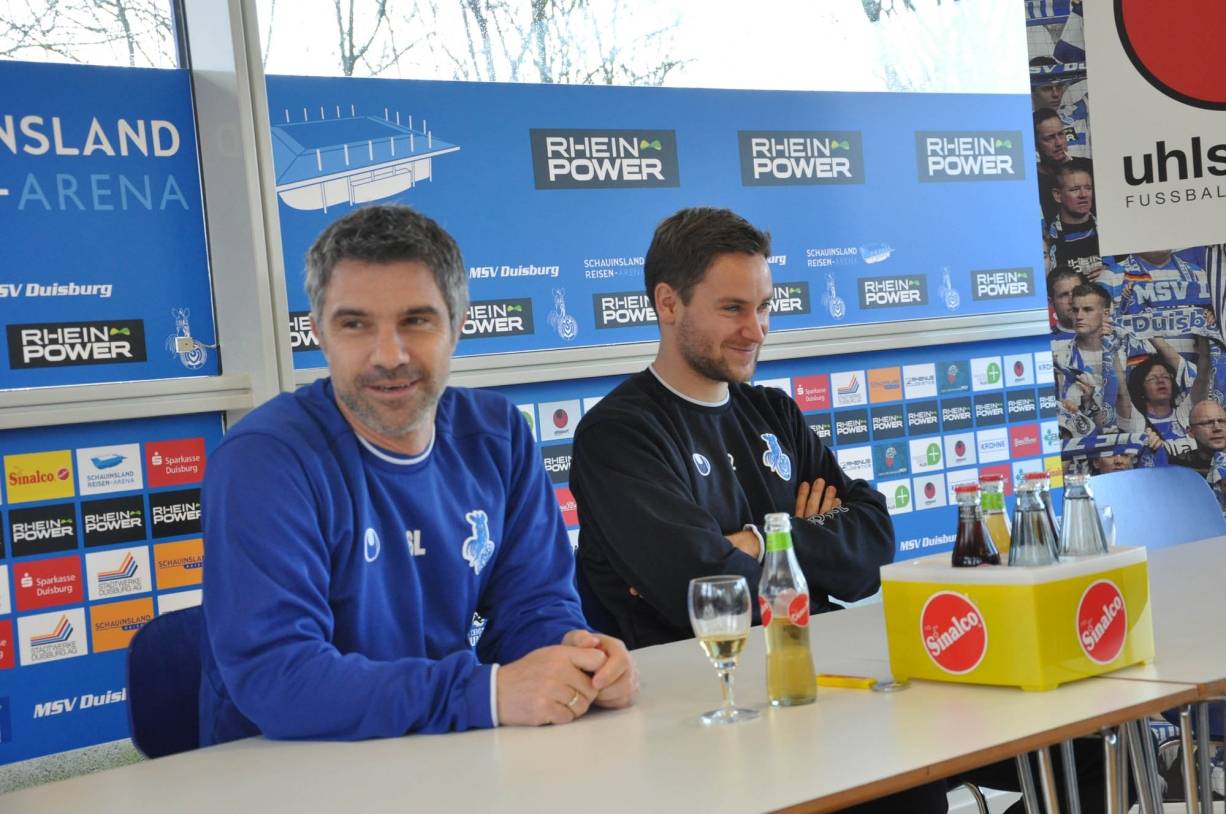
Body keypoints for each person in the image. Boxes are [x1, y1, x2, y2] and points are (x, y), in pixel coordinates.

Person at [199, 204, 636, 746]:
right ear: (317, 334)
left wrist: (578, 658)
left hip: (450, 749)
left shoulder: (499, 435)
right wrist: (487, 694)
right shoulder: (264, 460)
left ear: (456, 325)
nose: (389, 355)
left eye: (416, 320)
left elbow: (534, 609)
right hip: (290, 773)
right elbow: (279, 679)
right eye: (355, 324)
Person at [570, 207, 946, 814]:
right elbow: (700, 591)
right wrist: (808, 540)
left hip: (815, 685)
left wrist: (753, 541)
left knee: (921, 783)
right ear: (668, 304)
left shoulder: (773, 412)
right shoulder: (620, 433)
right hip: (698, 721)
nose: (757, 329)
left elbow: (873, 542)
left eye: (764, 306)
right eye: (732, 309)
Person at [1053, 283, 1134, 435]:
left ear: (1105, 313)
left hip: (1127, 436)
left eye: (1087, 310)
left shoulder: (1128, 350)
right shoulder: (1060, 359)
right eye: (1075, 310)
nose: (1079, 316)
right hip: (1084, 439)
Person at [1046, 161, 1102, 278]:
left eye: (1088, 188)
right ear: (1057, 195)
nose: (1083, 195)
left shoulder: (1110, 231)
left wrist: (1112, 273)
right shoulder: (1047, 239)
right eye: (1075, 189)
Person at [1047, 266, 1087, 339]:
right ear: (1051, 301)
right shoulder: (1046, 342)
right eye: (1064, 295)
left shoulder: (1107, 332)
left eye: (1077, 291)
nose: (1072, 301)